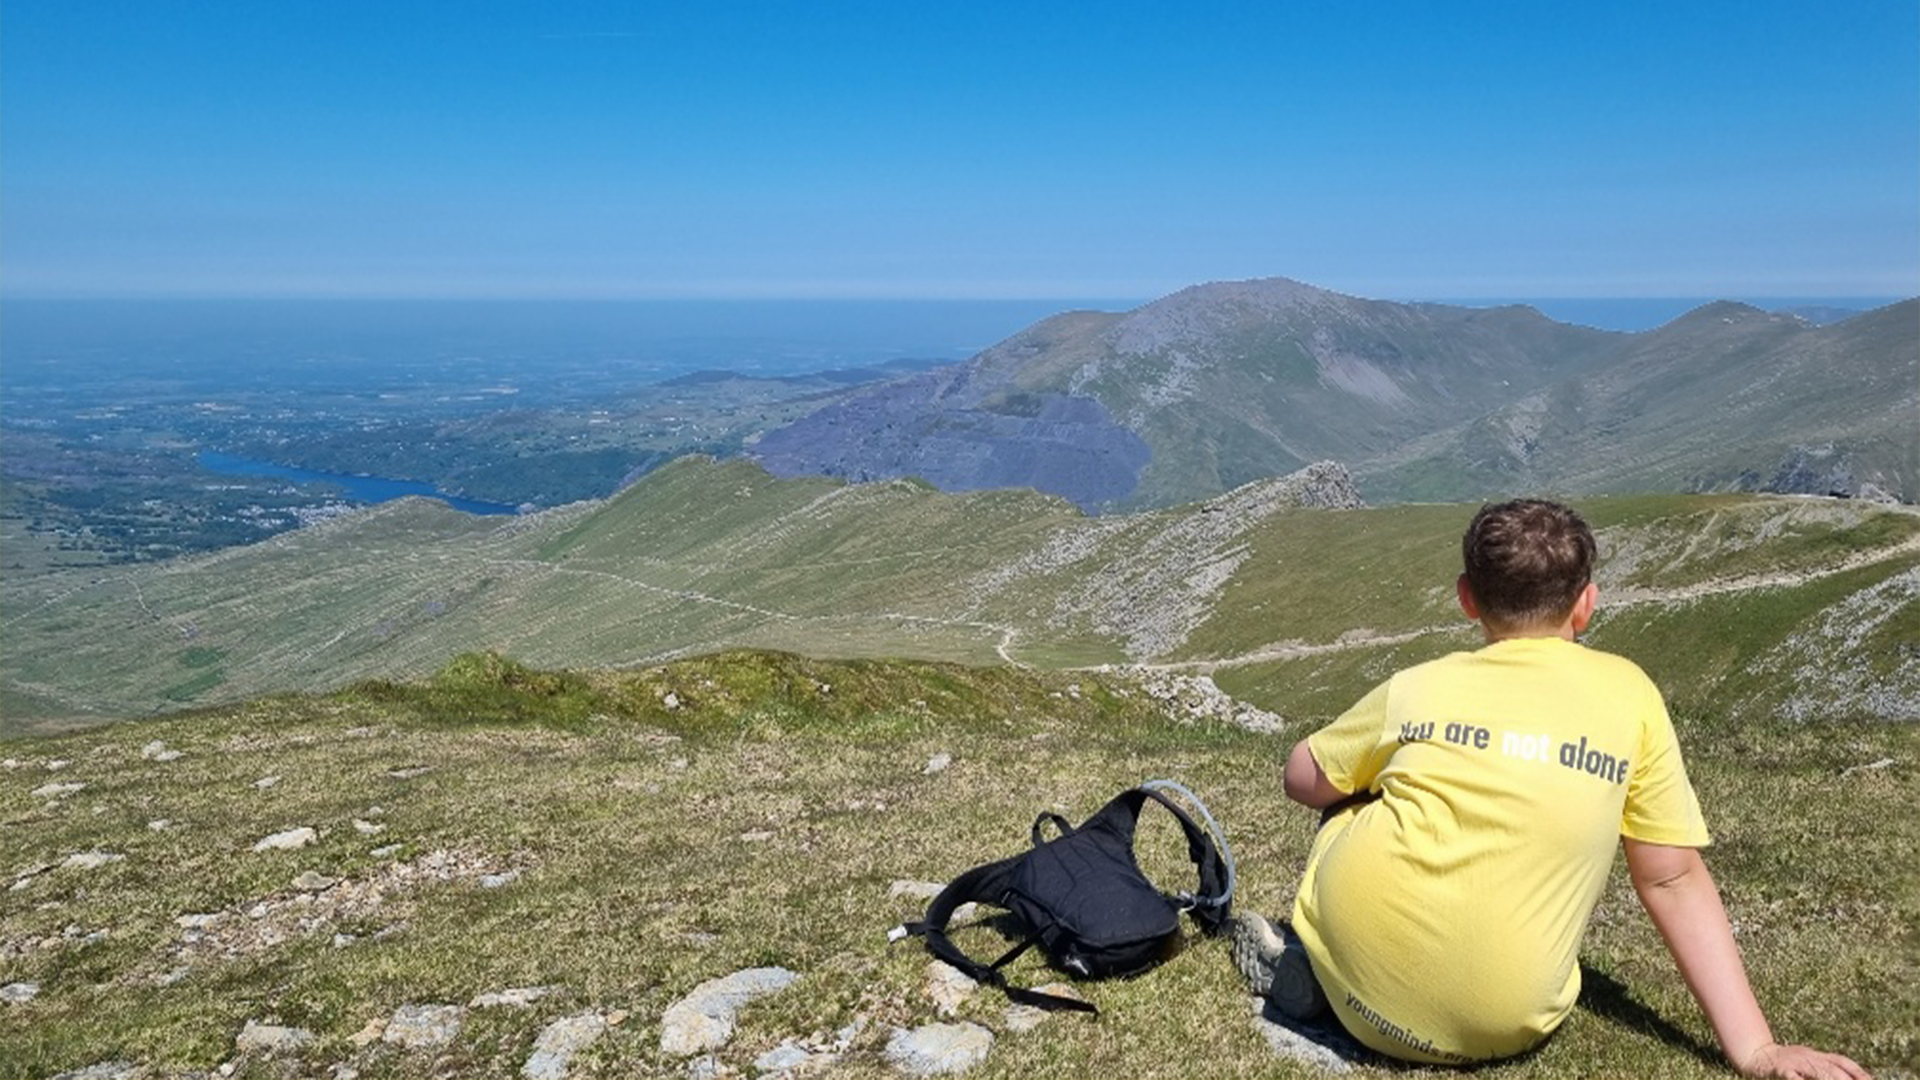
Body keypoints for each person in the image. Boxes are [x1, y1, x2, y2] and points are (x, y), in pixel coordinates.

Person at [1231, 498, 1868, 1079]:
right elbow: (1671, 878)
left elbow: (1301, 778)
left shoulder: (1418, 685)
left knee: (1351, 789)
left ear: (1467, 599)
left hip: (1361, 999)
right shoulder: (1632, 696)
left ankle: (1320, 965)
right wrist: (1758, 1051)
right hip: (1504, 1030)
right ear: (1586, 603)